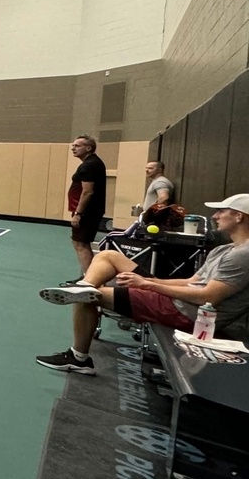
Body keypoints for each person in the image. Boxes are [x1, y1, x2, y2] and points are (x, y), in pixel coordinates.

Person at [35, 193, 249, 375]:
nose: (215, 216)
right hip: (179, 300)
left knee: (88, 297)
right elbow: (191, 281)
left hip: (188, 313)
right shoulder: (224, 249)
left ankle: (79, 358)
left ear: (239, 216)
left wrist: (149, 286)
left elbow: (208, 297)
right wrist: (149, 280)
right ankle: (84, 285)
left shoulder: (243, 255)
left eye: (222, 211)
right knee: (109, 255)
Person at [67, 134, 107, 273]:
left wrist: (78, 213)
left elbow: (87, 192)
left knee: (80, 243)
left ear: (88, 148)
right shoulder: (93, 163)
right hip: (90, 211)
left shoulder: (89, 165)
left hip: (87, 212)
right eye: (73, 146)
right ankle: (89, 276)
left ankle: (90, 279)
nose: (73, 148)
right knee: (81, 243)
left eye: (77, 146)